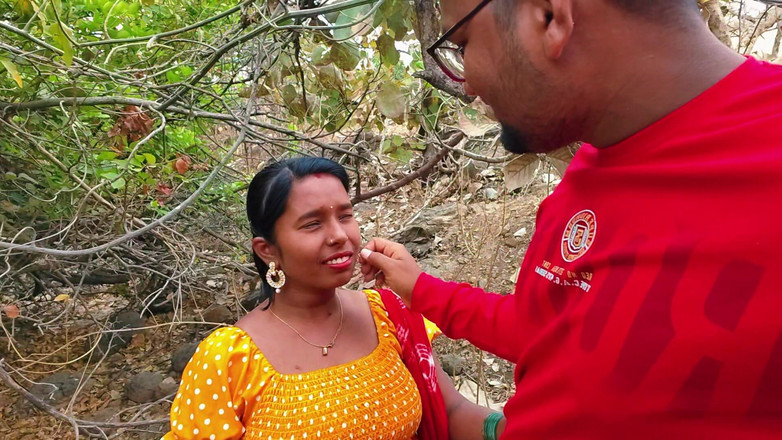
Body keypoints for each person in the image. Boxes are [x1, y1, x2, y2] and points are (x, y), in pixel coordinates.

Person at [359, 0, 782, 439]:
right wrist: (421, 289)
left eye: (463, 43)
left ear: (549, 15)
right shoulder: (588, 173)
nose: (467, 84)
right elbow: (548, 331)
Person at [163, 157, 503, 440]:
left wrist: (528, 429)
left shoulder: (388, 314)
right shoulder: (228, 360)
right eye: (312, 224)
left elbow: (451, 411)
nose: (340, 236)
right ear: (267, 251)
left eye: (345, 215)